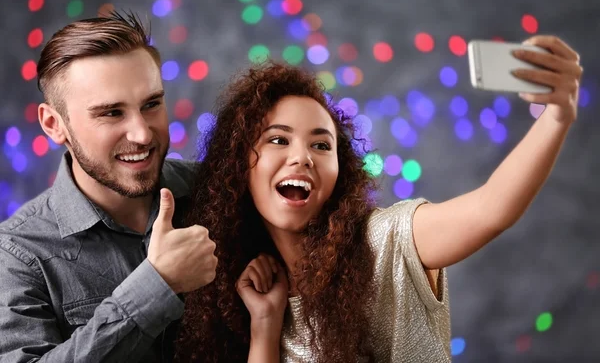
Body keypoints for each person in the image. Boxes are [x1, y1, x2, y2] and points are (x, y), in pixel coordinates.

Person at [173, 35, 583, 362]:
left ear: (340, 171)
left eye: (321, 145)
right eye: (278, 139)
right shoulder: (252, 291)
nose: (302, 156)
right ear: (238, 165)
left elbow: (493, 208)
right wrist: (265, 323)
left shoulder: (384, 242)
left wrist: (557, 115)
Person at [0, 12, 218, 362]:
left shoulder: (219, 189)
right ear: (54, 124)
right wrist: (157, 284)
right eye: (111, 113)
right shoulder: (15, 255)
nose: (142, 134)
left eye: (151, 104)